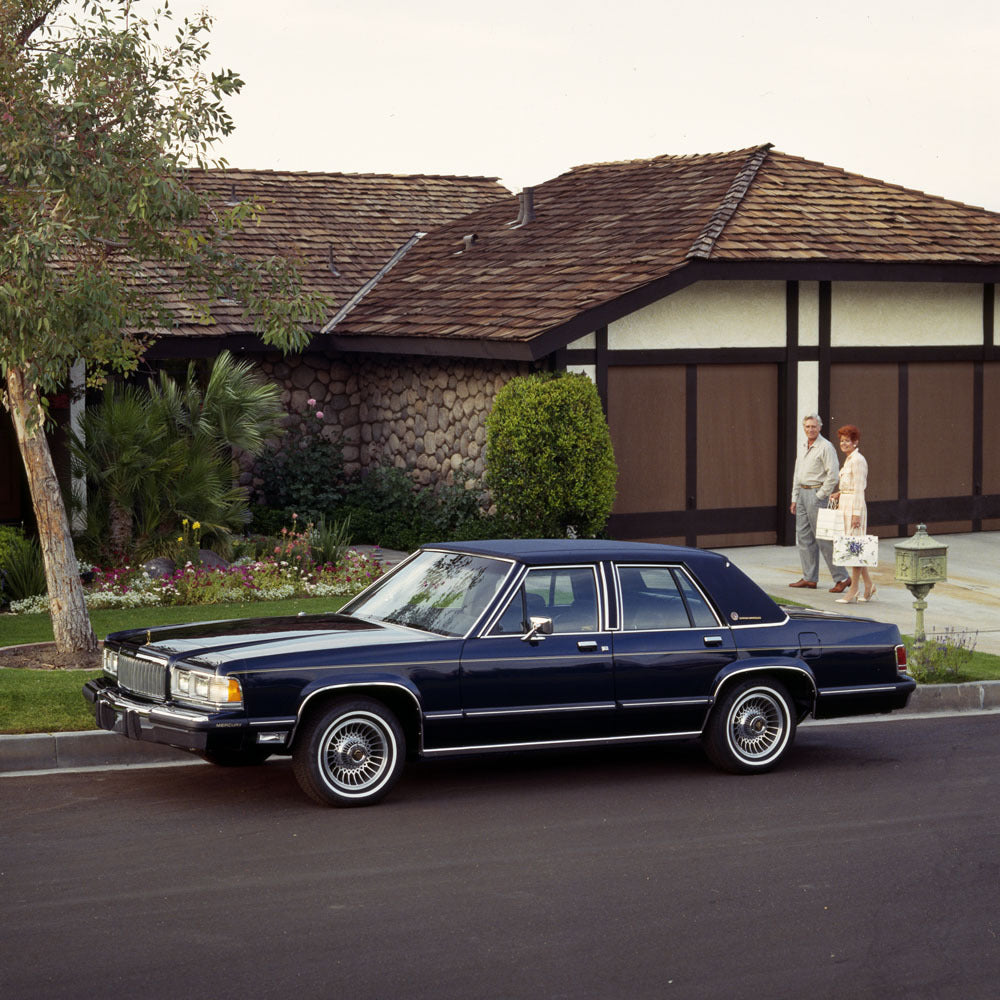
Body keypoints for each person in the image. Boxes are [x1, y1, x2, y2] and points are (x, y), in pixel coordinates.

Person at [789, 413, 850, 592]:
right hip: (802, 493)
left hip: (817, 494)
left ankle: (842, 578)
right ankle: (809, 578)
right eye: (807, 427)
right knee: (804, 537)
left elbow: (833, 475)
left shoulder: (826, 447)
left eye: (813, 426)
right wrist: (794, 497)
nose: (810, 429)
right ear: (804, 428)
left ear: (820, 427)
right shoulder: (803, 445)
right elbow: (797, 473)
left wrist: (820, 495)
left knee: (824, 538)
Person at [831, 424, 875, 603]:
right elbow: (850, 485)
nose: (844, 444)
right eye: (842, 441)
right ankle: (869, 585)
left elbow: (859, 488)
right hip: (845, 505)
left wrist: (856, 513)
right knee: (852, 546)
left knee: (855, 548)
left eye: (847, 441)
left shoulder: (858, 460)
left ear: (855, 442)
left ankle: (854, 590)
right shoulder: (848, 460)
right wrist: (839, 493)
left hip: (854, 508)